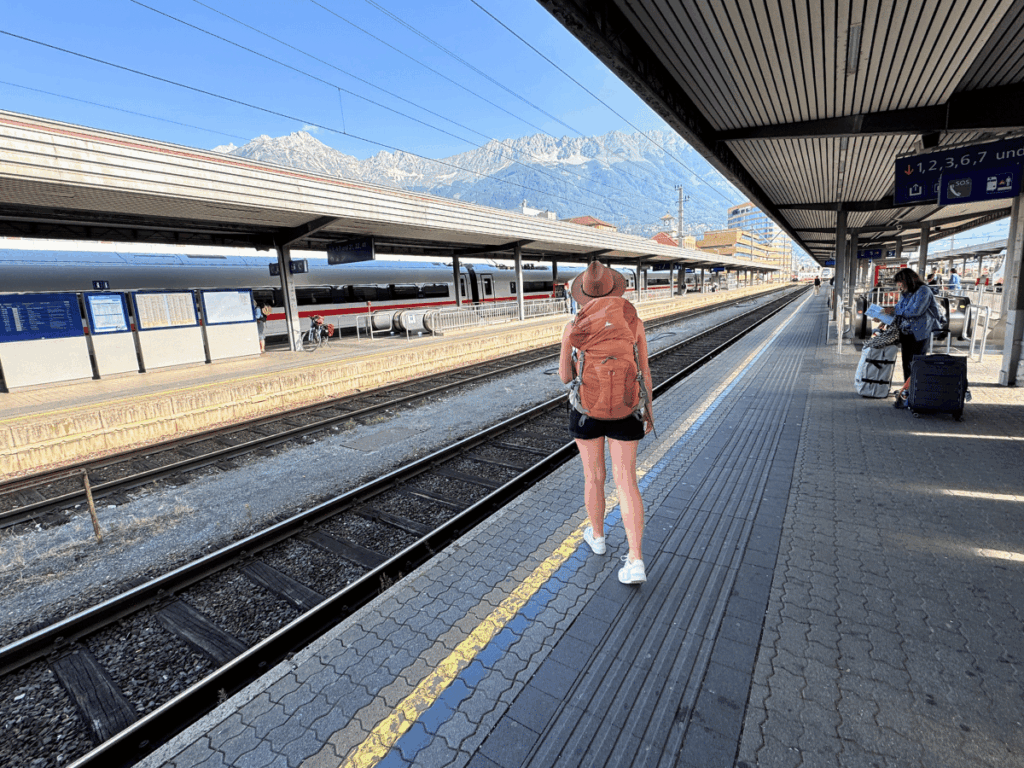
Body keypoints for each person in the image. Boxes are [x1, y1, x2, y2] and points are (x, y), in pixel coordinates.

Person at [559, 262, 654, 585]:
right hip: (627, 409)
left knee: (593, 476)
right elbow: (644, 372)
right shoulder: (633, 322)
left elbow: (564, 378)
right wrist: (648, 412)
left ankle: (597, 537)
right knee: (626, 480)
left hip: (586, 410)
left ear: (583, 294)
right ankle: (636, 559)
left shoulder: (573, 327)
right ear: (615, 290)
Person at [888, 267, 942, 402]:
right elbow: (899, 308)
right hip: (906, 332)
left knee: (916, 362)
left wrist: (894, 311)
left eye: (900, 282)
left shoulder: (924, 291)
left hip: (920, 332)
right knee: (906, 362)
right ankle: (907, 389)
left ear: (908, 280)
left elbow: (915, 311)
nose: (899, 285)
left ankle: (916, 391)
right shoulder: (906, 292)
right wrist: (890, 315)